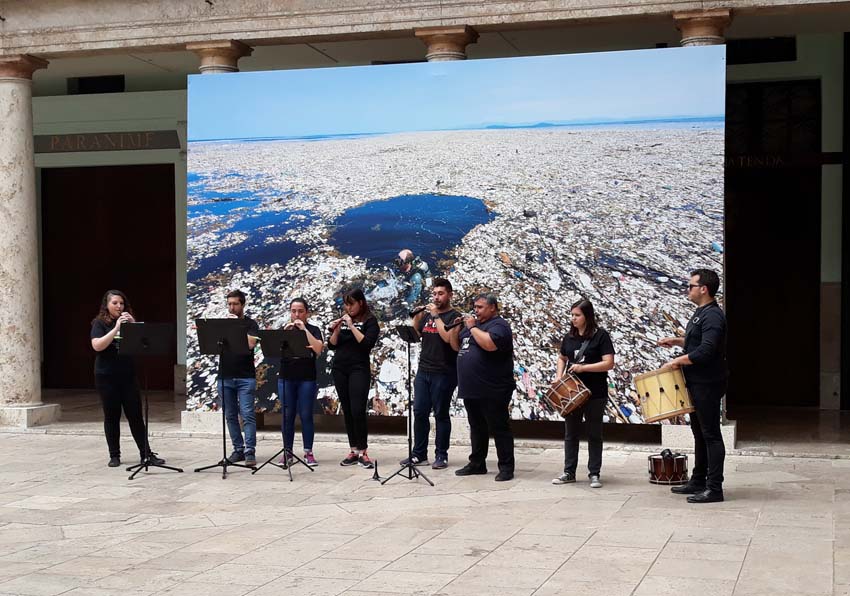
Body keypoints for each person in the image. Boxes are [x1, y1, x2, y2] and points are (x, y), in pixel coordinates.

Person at [658, 268, 728, 504]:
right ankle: (698, 479)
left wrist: (677, 361)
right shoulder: (701, 313)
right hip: (696, 382)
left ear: (704, 289)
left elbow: (707, 350)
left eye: (691, 286)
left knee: (711, 435)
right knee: (699, 433)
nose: (687, 290)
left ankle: (714, 487)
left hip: (707, 383)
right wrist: (677, 341)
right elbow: (697, 341)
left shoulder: (713, 316)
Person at [90, 290, 166, 468]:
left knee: (135, 416)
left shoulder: (129, 323)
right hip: (106, 376)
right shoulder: (99, 323)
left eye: (121, 303)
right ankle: (114, 455)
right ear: (107, 305)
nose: (119, 306)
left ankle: (146, 454)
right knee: (112, 415)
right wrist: (116, 328)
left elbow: (144, 344)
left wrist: (134, 325)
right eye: (115, 303)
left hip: (127, 375)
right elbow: (97, 345)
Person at [551, 299, 615, 488]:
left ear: (587, 316)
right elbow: (562, 357)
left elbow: (608, 363)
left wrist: (584, 368)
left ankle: (594, 472)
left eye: (577, 315)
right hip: (571, 392)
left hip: (595, 392)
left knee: (594, 433)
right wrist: (558, 376)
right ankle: (569, 471)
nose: (573, 319)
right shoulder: (569, 337)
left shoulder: (601, 336)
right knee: (571, 433)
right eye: (572, 315)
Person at [455, 293, 516, 481]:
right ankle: (477, 463)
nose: (476, 310)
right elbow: (456, 345)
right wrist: (457, 327)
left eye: (480, 307)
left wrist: (472, 327)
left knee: (499, 427)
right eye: (475, 307)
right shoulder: (472, 326)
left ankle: (506, 467)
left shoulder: (499, 326)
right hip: (471, 387)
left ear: (492, 307)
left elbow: (490, 344)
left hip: (493, 387)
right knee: (476, 427)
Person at [401, 278, 461, 469]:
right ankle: (419, 454)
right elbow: (416, 336)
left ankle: (441, 455)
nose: (436, 297)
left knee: (441, 413)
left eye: (440, 294)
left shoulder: (454, 316)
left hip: (444, 372)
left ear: (450, 295)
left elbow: (447, 338)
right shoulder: (428, 315)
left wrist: (435, 316)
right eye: (434, 294)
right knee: (419, 412)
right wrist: (417, 317)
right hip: (423, 370)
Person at [328, 288, 380, 468]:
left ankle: (363, 451)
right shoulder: (343, 320)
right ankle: (353, 449)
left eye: (351, 304)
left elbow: (367, 344)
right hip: (340, 368)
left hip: (359, 368)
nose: (348, 308)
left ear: (361, 303)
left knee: (358, 409)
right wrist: (336, 330)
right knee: (348, 410)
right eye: (346, 305)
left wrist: (351, 326)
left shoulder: (370, 321)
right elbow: (332, 345)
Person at [278, 297, 324, 466]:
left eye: (300, 311)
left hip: (306, 377)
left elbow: (318, 349)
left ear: (307, 313)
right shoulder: (284, 329)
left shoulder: (314, 329)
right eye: (293, 311)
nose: (296, 314)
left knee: (306, 415)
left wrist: (304, 329)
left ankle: (308, 452)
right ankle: (287, 452)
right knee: (287, 416)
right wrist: (285, 334)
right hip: (286, 377)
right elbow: (273, 351)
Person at [218, 289, 260, 467]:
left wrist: (235, 326)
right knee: (230, 416)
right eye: (229, 304)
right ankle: (238, 449)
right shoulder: (222, 325)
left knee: (247, 414)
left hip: (245, 376)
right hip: (225, 375)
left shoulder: (251, 324)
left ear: (242, 305)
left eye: (235, 304)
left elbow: (250, 344)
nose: (232, 307)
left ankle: (250, 451)